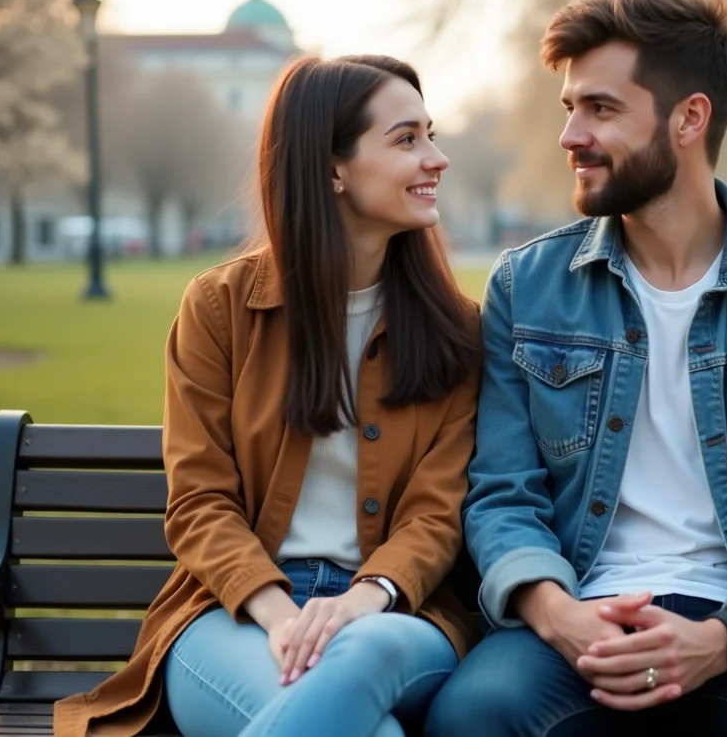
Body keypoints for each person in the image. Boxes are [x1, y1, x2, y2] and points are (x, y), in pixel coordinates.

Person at [425, 0, 727, 737]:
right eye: (569, 108)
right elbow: (501, 494)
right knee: (473, 715)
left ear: (690, 117)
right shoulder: (527, 287)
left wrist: (726, 634)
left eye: (601, 109)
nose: (570, 135)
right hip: (577, 613)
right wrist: (560, 617)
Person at [54, 54, 483, 737]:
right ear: (332, 167)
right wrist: (283, 616)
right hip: (235, 614)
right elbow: (200, 501)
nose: (436, 158)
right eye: (407, 139)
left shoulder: (456, 331)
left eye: (429, 134)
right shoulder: (221, 310)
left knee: (363, 652)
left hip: (399, 616)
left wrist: (365, 598)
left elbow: (439, 511)